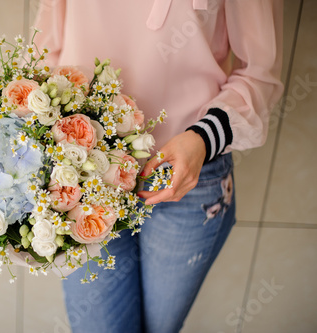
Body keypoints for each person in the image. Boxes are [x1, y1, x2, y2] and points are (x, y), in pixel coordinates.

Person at [32, 0, 284, 332]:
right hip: (81, 176)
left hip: (188, 180)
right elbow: (45, 52)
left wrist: (202, 139)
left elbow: (260, 73)